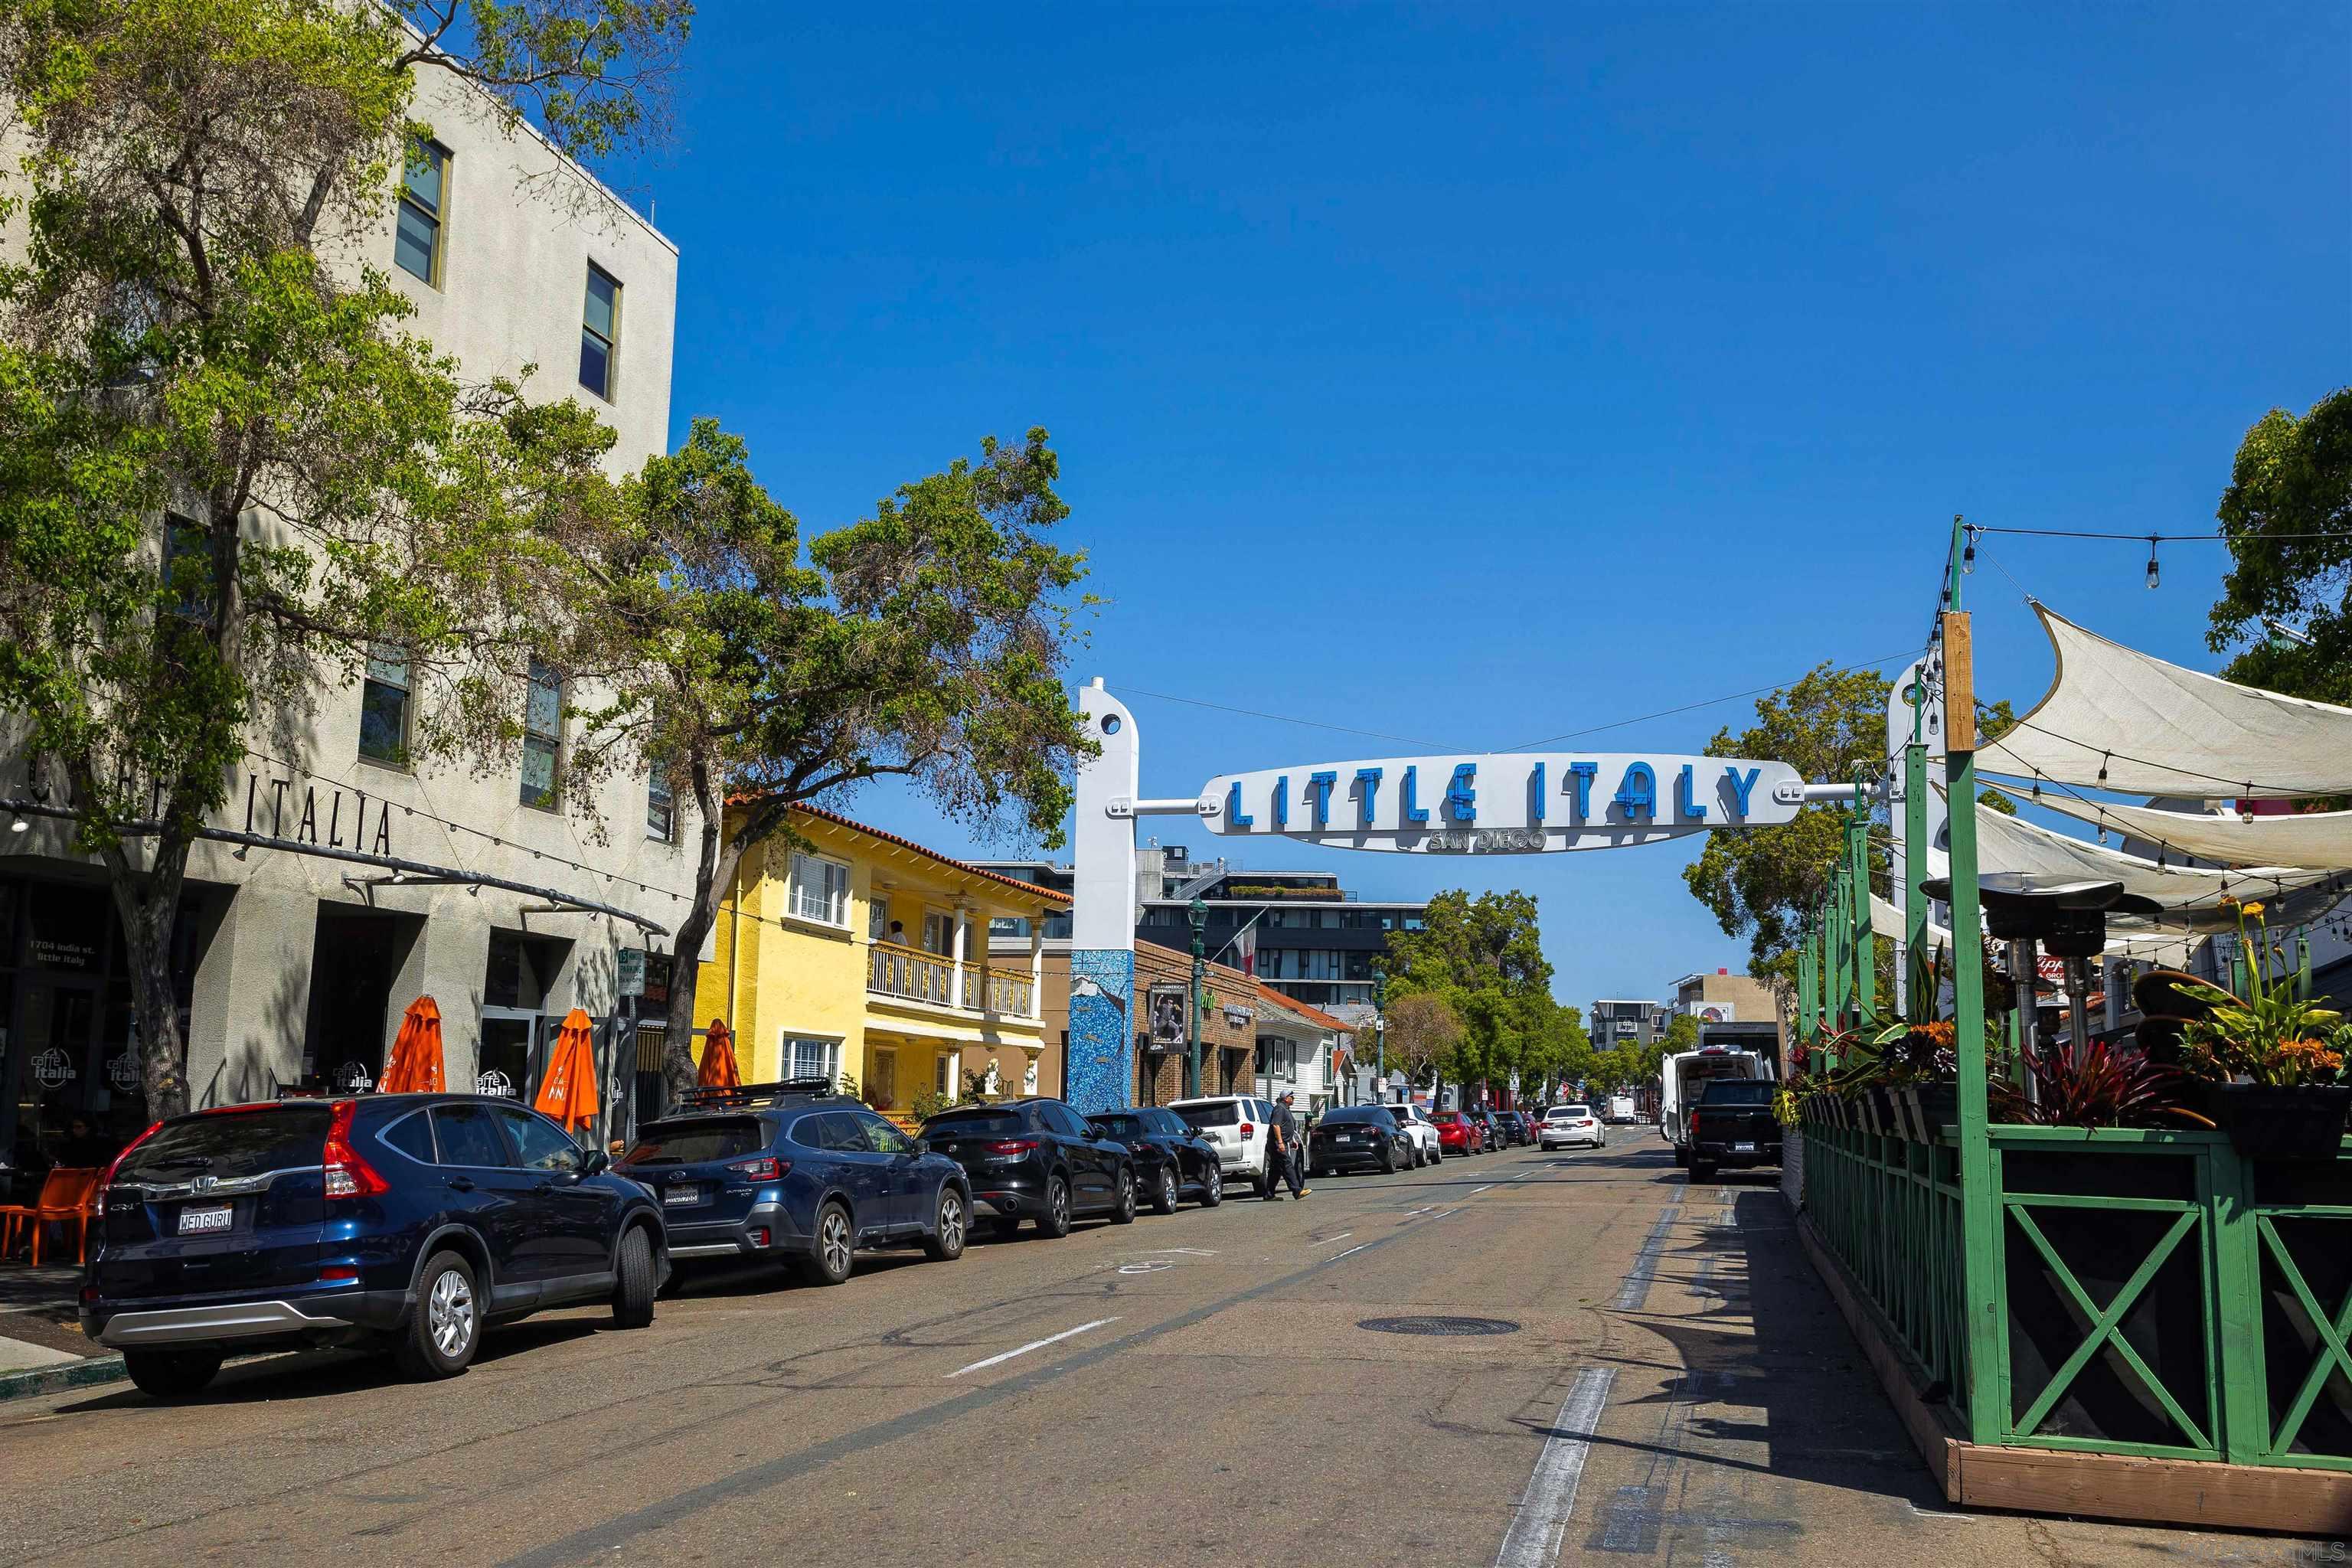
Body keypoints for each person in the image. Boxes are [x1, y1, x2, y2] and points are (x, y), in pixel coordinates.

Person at [1265, 1093, 1308, 1200]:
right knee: (1287, 1164)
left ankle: (1269, 1195)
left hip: (1283, 1142)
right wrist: (1280, 1142)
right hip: (1277, 1143)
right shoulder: (1280, 1108)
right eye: (1292, 1096)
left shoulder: (1286, 1109)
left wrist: (1292, 1140)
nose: (1293, 1098)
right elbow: (1276, 1125)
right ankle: (1297, 1191)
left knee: (1276, 1169)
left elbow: (1288, 1126)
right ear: (1286, 1098)